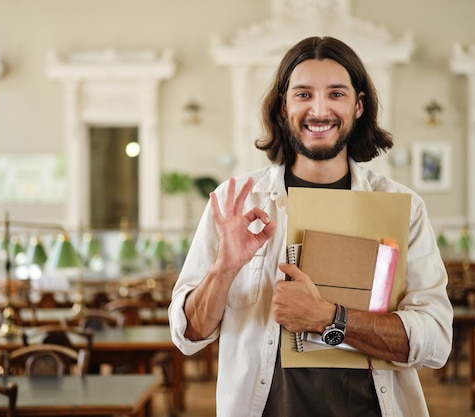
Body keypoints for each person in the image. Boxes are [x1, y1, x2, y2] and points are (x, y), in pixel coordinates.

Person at [169, 36, 453, 417]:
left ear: (359, 105)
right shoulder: (238, 201)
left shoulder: (403, 209)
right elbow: (188, 335)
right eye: (303, 94)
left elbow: (435, 341)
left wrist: (329, 318)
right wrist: (223, 270)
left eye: (336, 94)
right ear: (283, 105)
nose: (319, 110)